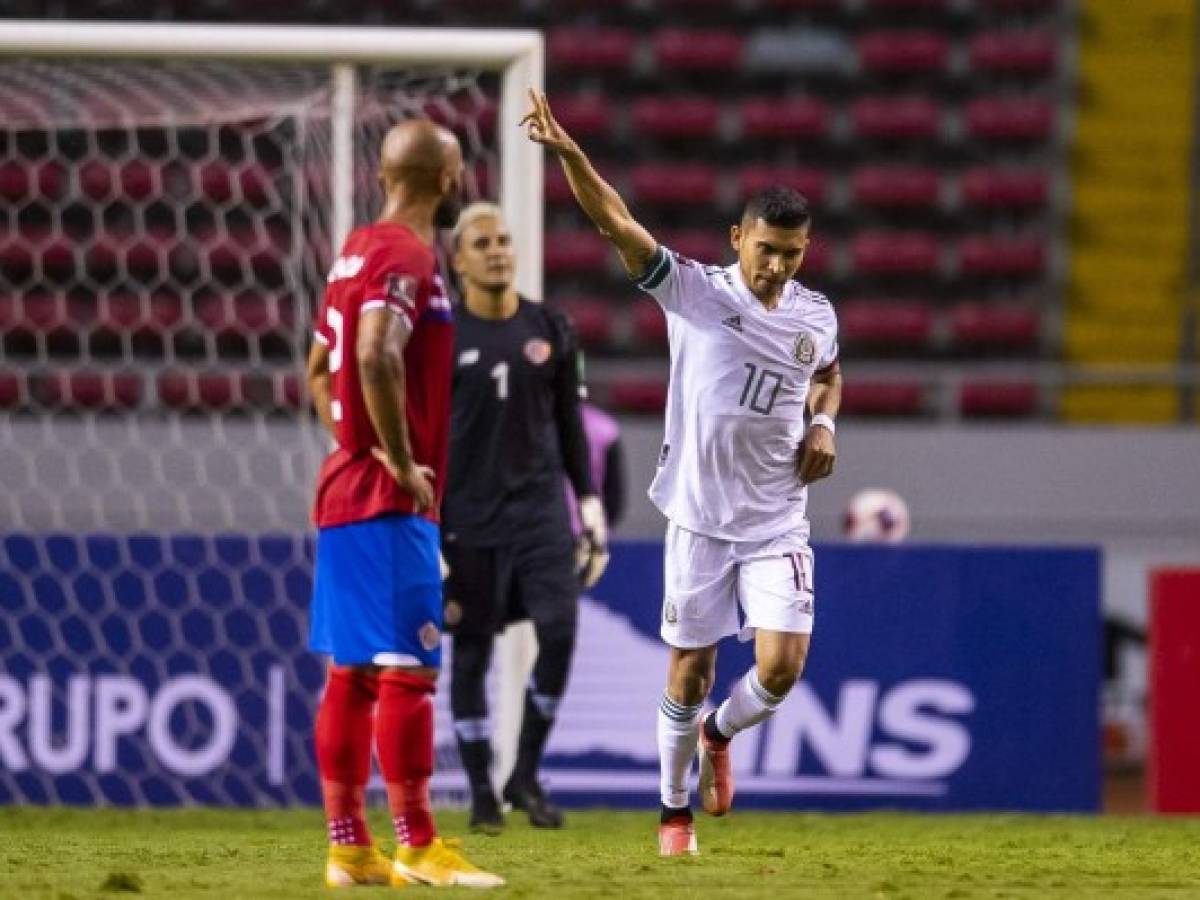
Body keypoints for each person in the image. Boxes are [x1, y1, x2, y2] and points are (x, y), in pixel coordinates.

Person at [522, 92, 842, 857]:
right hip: (700, 516)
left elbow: (827, 372)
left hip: (775, 518)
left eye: (791, 254)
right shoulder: (695, 291)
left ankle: (718, 736)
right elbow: (617, 222)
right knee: (690, 668)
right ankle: (673, 813)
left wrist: (825, 421)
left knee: (782, 664)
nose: (775, 266)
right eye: (765, 248)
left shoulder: (815, 315)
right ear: (738, 238)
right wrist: (570, 154)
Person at [305, 119, 503, 889]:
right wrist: (391, 453)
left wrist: (352, 440)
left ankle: (351, 848)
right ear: (443, 179)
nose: (462, 183)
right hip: (388, 499)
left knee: (353, 673)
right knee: (411, 673)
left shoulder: (354, 248)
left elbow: (318, 370)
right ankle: (418, 844)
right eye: (457, 171)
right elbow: (373, 355)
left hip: (345, 490)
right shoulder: (408, 255)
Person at [441, 201, 608, 834]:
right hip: (468, 516)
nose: (497, 249)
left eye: (504, 239)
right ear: (459, 261)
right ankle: (483, 792)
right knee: (472, 655)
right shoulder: (441, 337)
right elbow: (427, 434)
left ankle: (525, 774)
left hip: (540, 511)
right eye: (481, 242)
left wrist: (588, 505)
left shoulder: (553, 327)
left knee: (560, 631)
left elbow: (570, 425)